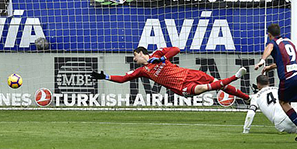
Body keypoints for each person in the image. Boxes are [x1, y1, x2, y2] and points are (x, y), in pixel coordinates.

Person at [91, 46, 250, 100]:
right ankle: (235, 77)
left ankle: (247, 98)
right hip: (181, 87)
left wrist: (161, 59)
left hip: (190, 74)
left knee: (217, 84)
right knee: (203, 88)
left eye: (134, 55)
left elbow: (176, 50)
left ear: (141, 53)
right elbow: (123, 78)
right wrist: (105, 77)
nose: (134, 59)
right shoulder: (143, 71)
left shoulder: (158, 54)